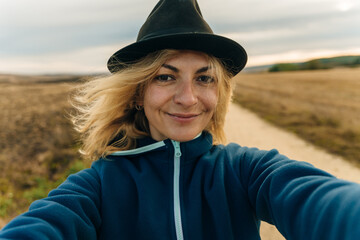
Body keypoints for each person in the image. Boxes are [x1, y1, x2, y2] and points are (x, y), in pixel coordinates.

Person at [1, 0, 360, 239]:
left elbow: (320, 200)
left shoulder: (247, 171)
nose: (188, 99)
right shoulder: (95, 188)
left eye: (204, 78)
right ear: (138, 91)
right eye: (165, 76)